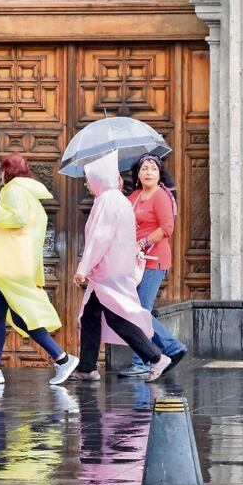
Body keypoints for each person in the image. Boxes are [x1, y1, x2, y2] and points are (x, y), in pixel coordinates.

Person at [0, 154, 79, 386]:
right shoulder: (31, 195)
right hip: (16, 264)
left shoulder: (13, 191)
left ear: (6, 172)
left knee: (20, 317)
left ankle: (63, 359)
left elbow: (17, 219)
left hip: (10, 265)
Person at [69, 151, 171, 382]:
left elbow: (99, 238)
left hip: (108, 271)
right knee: (91, 315)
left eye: (89, 177)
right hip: (112, 269)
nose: (87, 183)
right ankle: (86, 366)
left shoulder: (108, 200)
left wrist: (83, 268)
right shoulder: (118, 199)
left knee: (116, 317)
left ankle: (156, 357)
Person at [120, 153, 188, 377]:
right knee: (135, 310)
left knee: (140, 310)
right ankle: (161, 352)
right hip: (135, 261)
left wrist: (143, 242)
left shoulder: (161, 196)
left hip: (154, 260)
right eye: (144, 168)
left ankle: (147, 359)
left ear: (160, 174)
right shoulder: (136, 196)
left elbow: (167, 227)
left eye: (153, 168)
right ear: (137, 175)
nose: (148, 172)